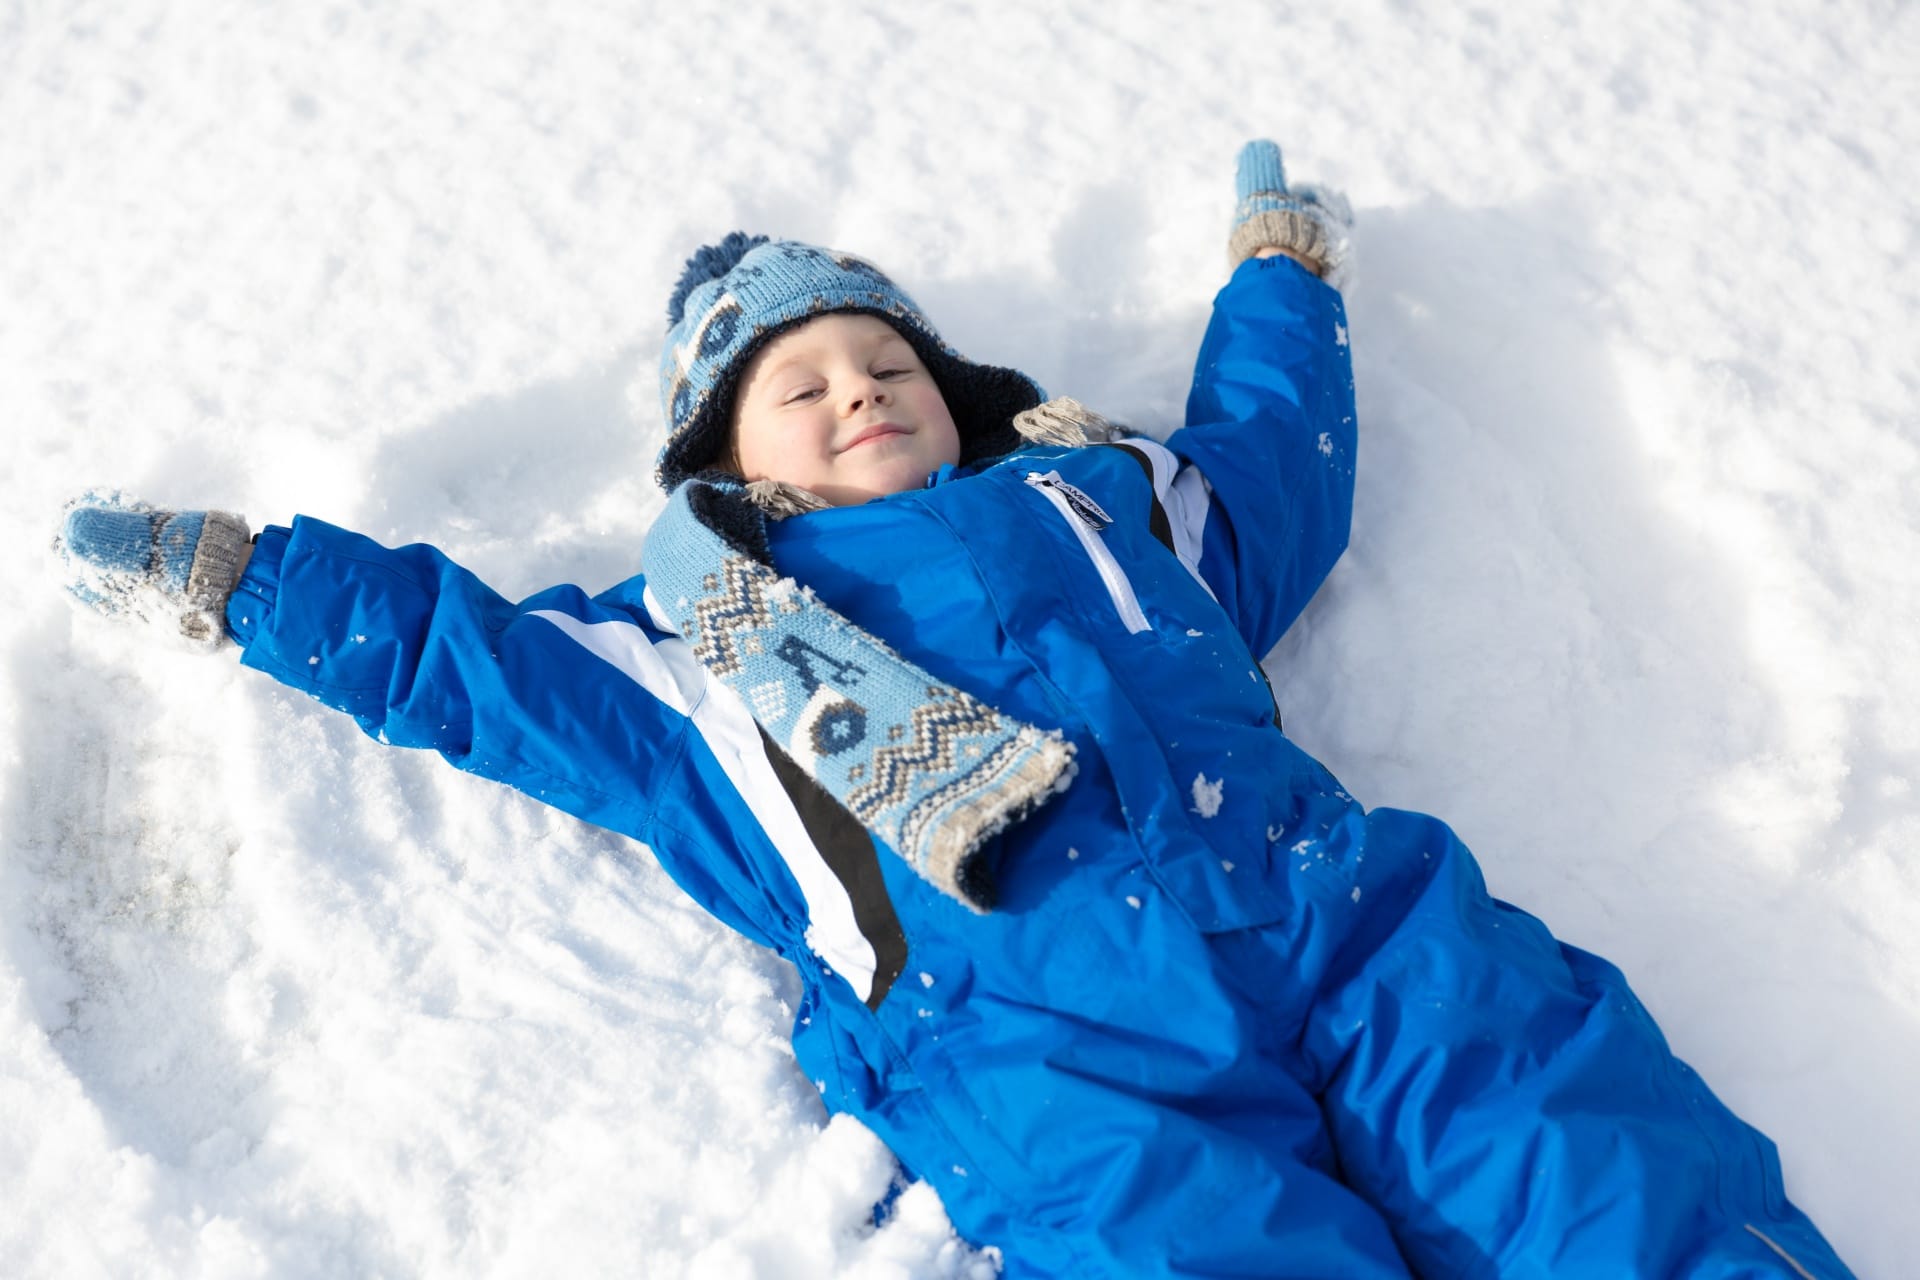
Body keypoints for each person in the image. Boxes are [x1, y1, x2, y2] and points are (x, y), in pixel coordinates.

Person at [56, 142, 1853, 1279]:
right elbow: (477, 670)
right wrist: (254, 582)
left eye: (883, 361)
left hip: (1347, 919)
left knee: (1583, 1156)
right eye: (800, 386)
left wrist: (1282, 282)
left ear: (955, 393)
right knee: (1189, 1249)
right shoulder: (709, 656)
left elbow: (1271, 474)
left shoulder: (1107, 504)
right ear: (725, 470)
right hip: (1046, 1032)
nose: (855, 393)